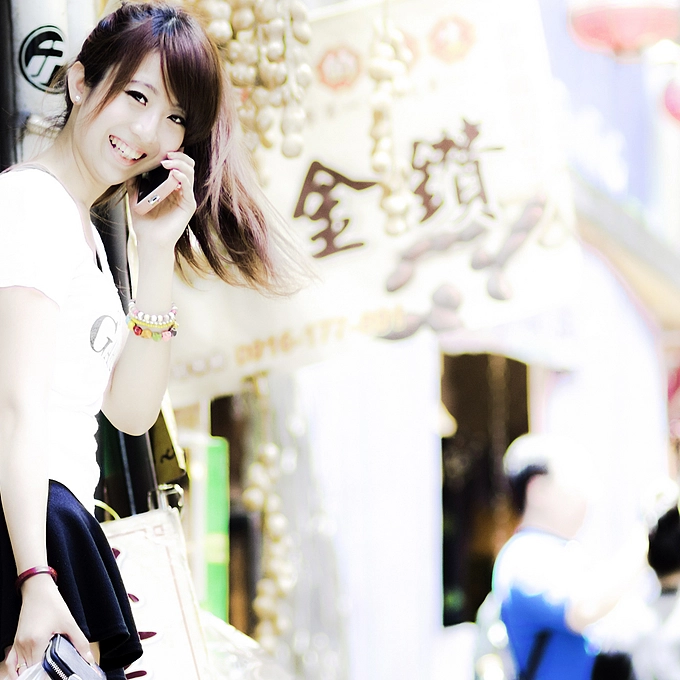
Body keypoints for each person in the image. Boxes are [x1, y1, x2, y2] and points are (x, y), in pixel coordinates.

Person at [0, 3, 303, 679]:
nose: (148, 131)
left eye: (174, 117)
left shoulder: (83, 229)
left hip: (55, 529)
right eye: (136, 96)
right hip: (30, 534)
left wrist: (158, 251)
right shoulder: (31, 205)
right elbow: (14, 410)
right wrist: (34, 575)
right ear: (81, 81)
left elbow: (130, 411)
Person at [491, 433, 647, 680]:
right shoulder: (525, 556)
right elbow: (585, 607)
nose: (590, 494)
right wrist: (646, 536)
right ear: (537, 490)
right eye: (576, 479)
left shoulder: (563, 553)